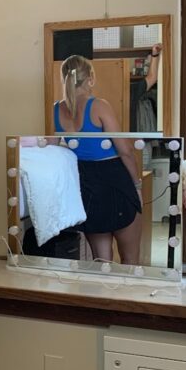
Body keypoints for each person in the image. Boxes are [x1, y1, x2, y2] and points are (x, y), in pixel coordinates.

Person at [54, 54, 143, 265]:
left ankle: (103, 297)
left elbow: (49, 146)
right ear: (90, 78)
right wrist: (137, 185)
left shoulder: (56, 109)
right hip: (114, 180)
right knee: (130, 258)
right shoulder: (99, 105)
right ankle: (128, 298)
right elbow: (125, 151)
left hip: (85, 184)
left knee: (101, 261)